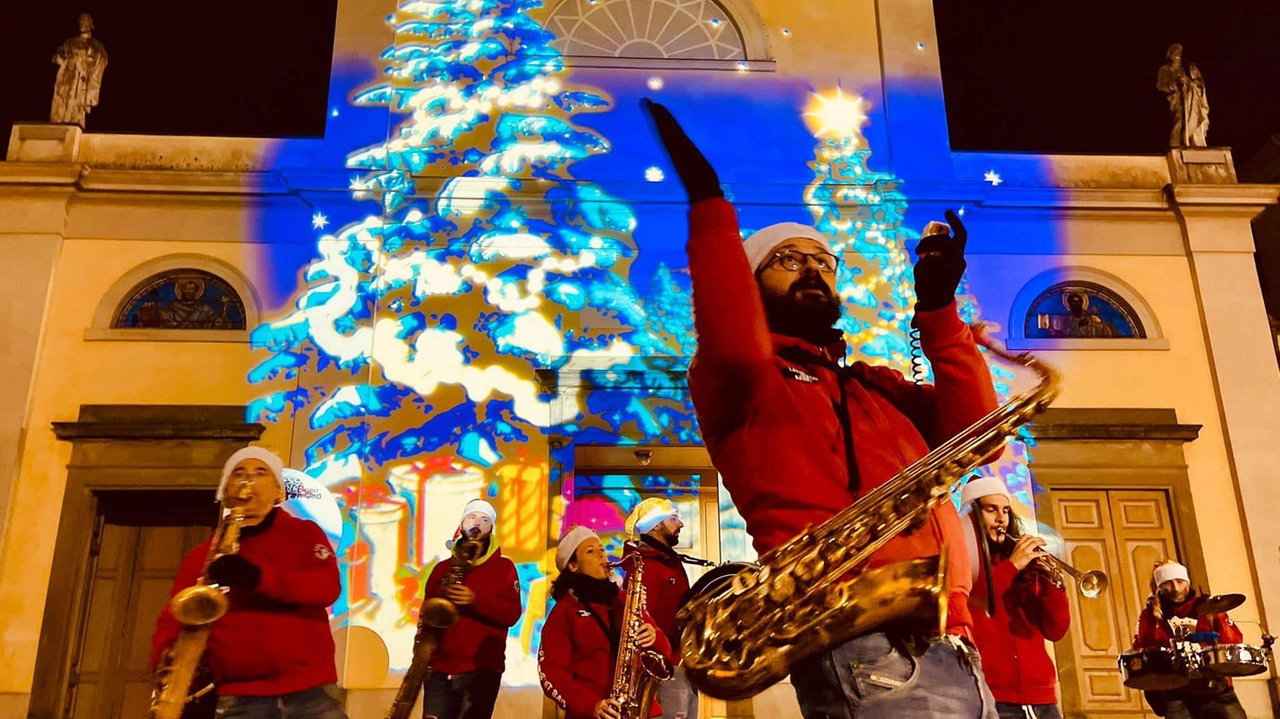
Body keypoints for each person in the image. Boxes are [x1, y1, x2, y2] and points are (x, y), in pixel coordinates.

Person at [642, 99, 1001, 719]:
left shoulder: (873, 386)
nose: (812, 269)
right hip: (861, 641)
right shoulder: (751, 378)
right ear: (752, 282)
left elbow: (980, 436)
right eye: (787, 260)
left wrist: (940, 312)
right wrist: (710, 206)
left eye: (823, 262)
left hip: (952, 636)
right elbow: (731, 336)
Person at [151, 447, 347, 719]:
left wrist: (257, 577)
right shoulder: (203, 555)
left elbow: (326, 588)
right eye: (239, 473)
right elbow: (174, 619)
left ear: (278, 490)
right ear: (225, 489)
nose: (248, 482)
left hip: (310, 691)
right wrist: (166, 672)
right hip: (239, 697)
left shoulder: (304, 534)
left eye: (260, 472)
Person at [538, 525, 675, 719]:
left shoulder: (625, 601)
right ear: (573, 566)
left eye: (601, 549)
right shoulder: (564, 611)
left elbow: (664, 651)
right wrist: (590, 705)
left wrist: (654, 635)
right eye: (591, 551)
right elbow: (551, 673)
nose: (602, 555)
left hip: (644, 711)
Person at [963, 477, 1069, 719]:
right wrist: (1011, 567)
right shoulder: (966, 566)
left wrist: (1052, 584)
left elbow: (1056, 630)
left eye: (1006, 511)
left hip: (1042, 698)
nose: (1001, 519)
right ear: (972, 516)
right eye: (991, 510)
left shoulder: (1023, 569)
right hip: (992, 697)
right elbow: (977, 611)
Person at [420, 499, 523, 719]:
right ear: (461, 524)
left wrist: (475, 600)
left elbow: (512, 613)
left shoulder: (504, 567)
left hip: (481, 671)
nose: (477, 523)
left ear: (491, 530)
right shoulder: (441, 569)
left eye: (484, 520)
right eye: (471, 517)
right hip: (439, 669)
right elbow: (425, 614)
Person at [1133, 561, 1246, 719]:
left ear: (1187, 582)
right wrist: (1154, 621)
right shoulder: (1149, 615)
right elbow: (1142, 649)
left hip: (1214, 688)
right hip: (1174, 691)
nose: (1176, 589)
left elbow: (1234, 642)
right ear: (1159, 587)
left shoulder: (1210, 607)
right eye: (1168, 584)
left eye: (1179, 582)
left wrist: (1218, 618)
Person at [624, 499, 697, 719]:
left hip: (681, 665)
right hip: (664, 671)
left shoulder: (665, 562)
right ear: (655, 525)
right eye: (673, 518)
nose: (681, 524)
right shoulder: (643, 567)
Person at [50, 13, 107, 126]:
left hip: (81, 82)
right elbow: (57, 55)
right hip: (66, 79)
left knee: (76, 111)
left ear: (91, 25)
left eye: (86, 21)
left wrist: (88, 61)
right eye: (81, 21)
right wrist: (60, 60)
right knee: (61, 107)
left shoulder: (96, 46)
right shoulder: (70, 42)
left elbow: (101, 60)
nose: (83, 24)